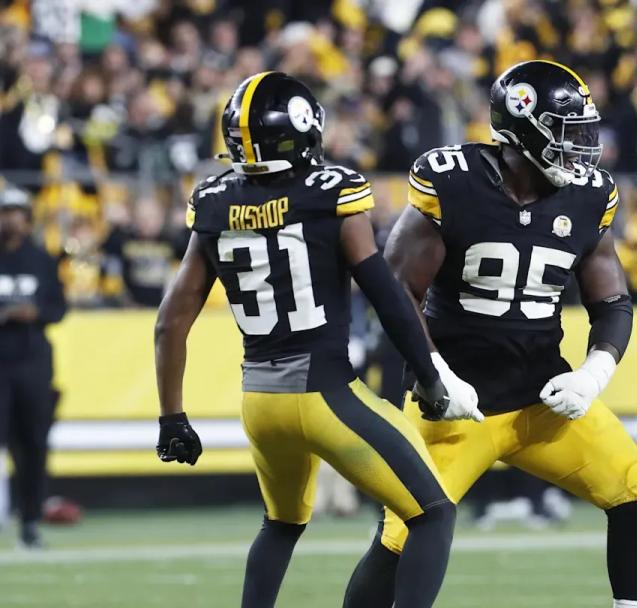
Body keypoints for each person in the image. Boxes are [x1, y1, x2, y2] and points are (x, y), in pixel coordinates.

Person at [153, 71, 483, 608]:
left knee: (281, 524)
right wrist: (431, 376)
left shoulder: (214, 201)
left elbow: (170, 321)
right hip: (325, 394)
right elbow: (385, 293)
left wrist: (172, 417)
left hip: (260, 402)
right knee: (433, 513)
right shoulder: (331, 190)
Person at [348, 60, 637, 608]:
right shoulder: (455, 182)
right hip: (456, 405)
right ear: (522, 128)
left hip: (540, 399)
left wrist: (593, 373)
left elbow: (611, 300)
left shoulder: (589, 195)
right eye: (566, 133)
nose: (581, 148)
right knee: (402, 536)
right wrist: (435, 374)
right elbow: (397, 290)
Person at [0, 185, 67, 549]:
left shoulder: (41, 259)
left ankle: (29, 521)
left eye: (16, 213)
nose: (10, 220)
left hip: (32, 362)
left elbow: (58, 308)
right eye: (4, 213)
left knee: (33, 444)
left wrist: (34, 312)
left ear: (27, 220)